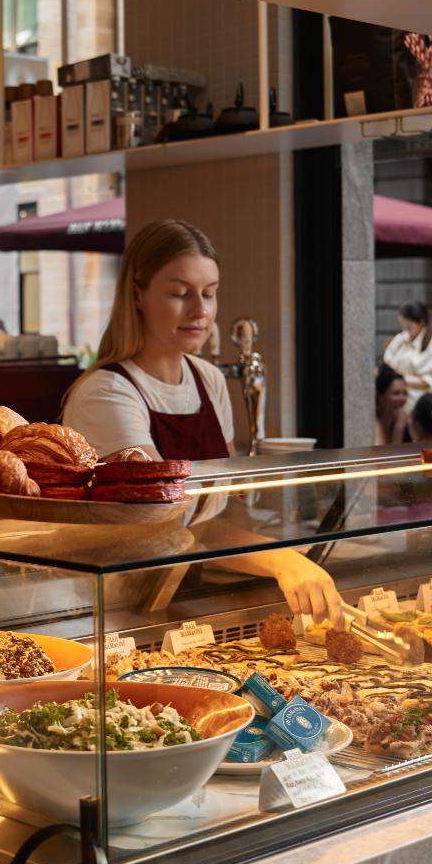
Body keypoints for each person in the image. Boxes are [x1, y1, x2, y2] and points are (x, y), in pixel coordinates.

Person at [62, 219, 344, 621]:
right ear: (137, 294)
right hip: (123, 605)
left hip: (192, 595)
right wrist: (275, 559)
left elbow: (222, 506)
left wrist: (268, 553)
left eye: (209, 294)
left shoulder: (207, 378)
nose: (200, 311)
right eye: (180, 294)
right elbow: (162, 522)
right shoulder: (107, 393)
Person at [381, 302, 432, 402]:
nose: (405, 331)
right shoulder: (402, 338)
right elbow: (387, 363)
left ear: (421, 323)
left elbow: (431, 382)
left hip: (422, 404)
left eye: (408, 327)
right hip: (399, 402)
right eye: (402, 327)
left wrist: (400, 379)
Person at [376, 364, 413, 445]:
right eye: (396, 393)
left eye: (405, 393)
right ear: (381, 396)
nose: (402, 399)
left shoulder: (406, 424)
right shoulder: (372, 423)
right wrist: (398, 431)